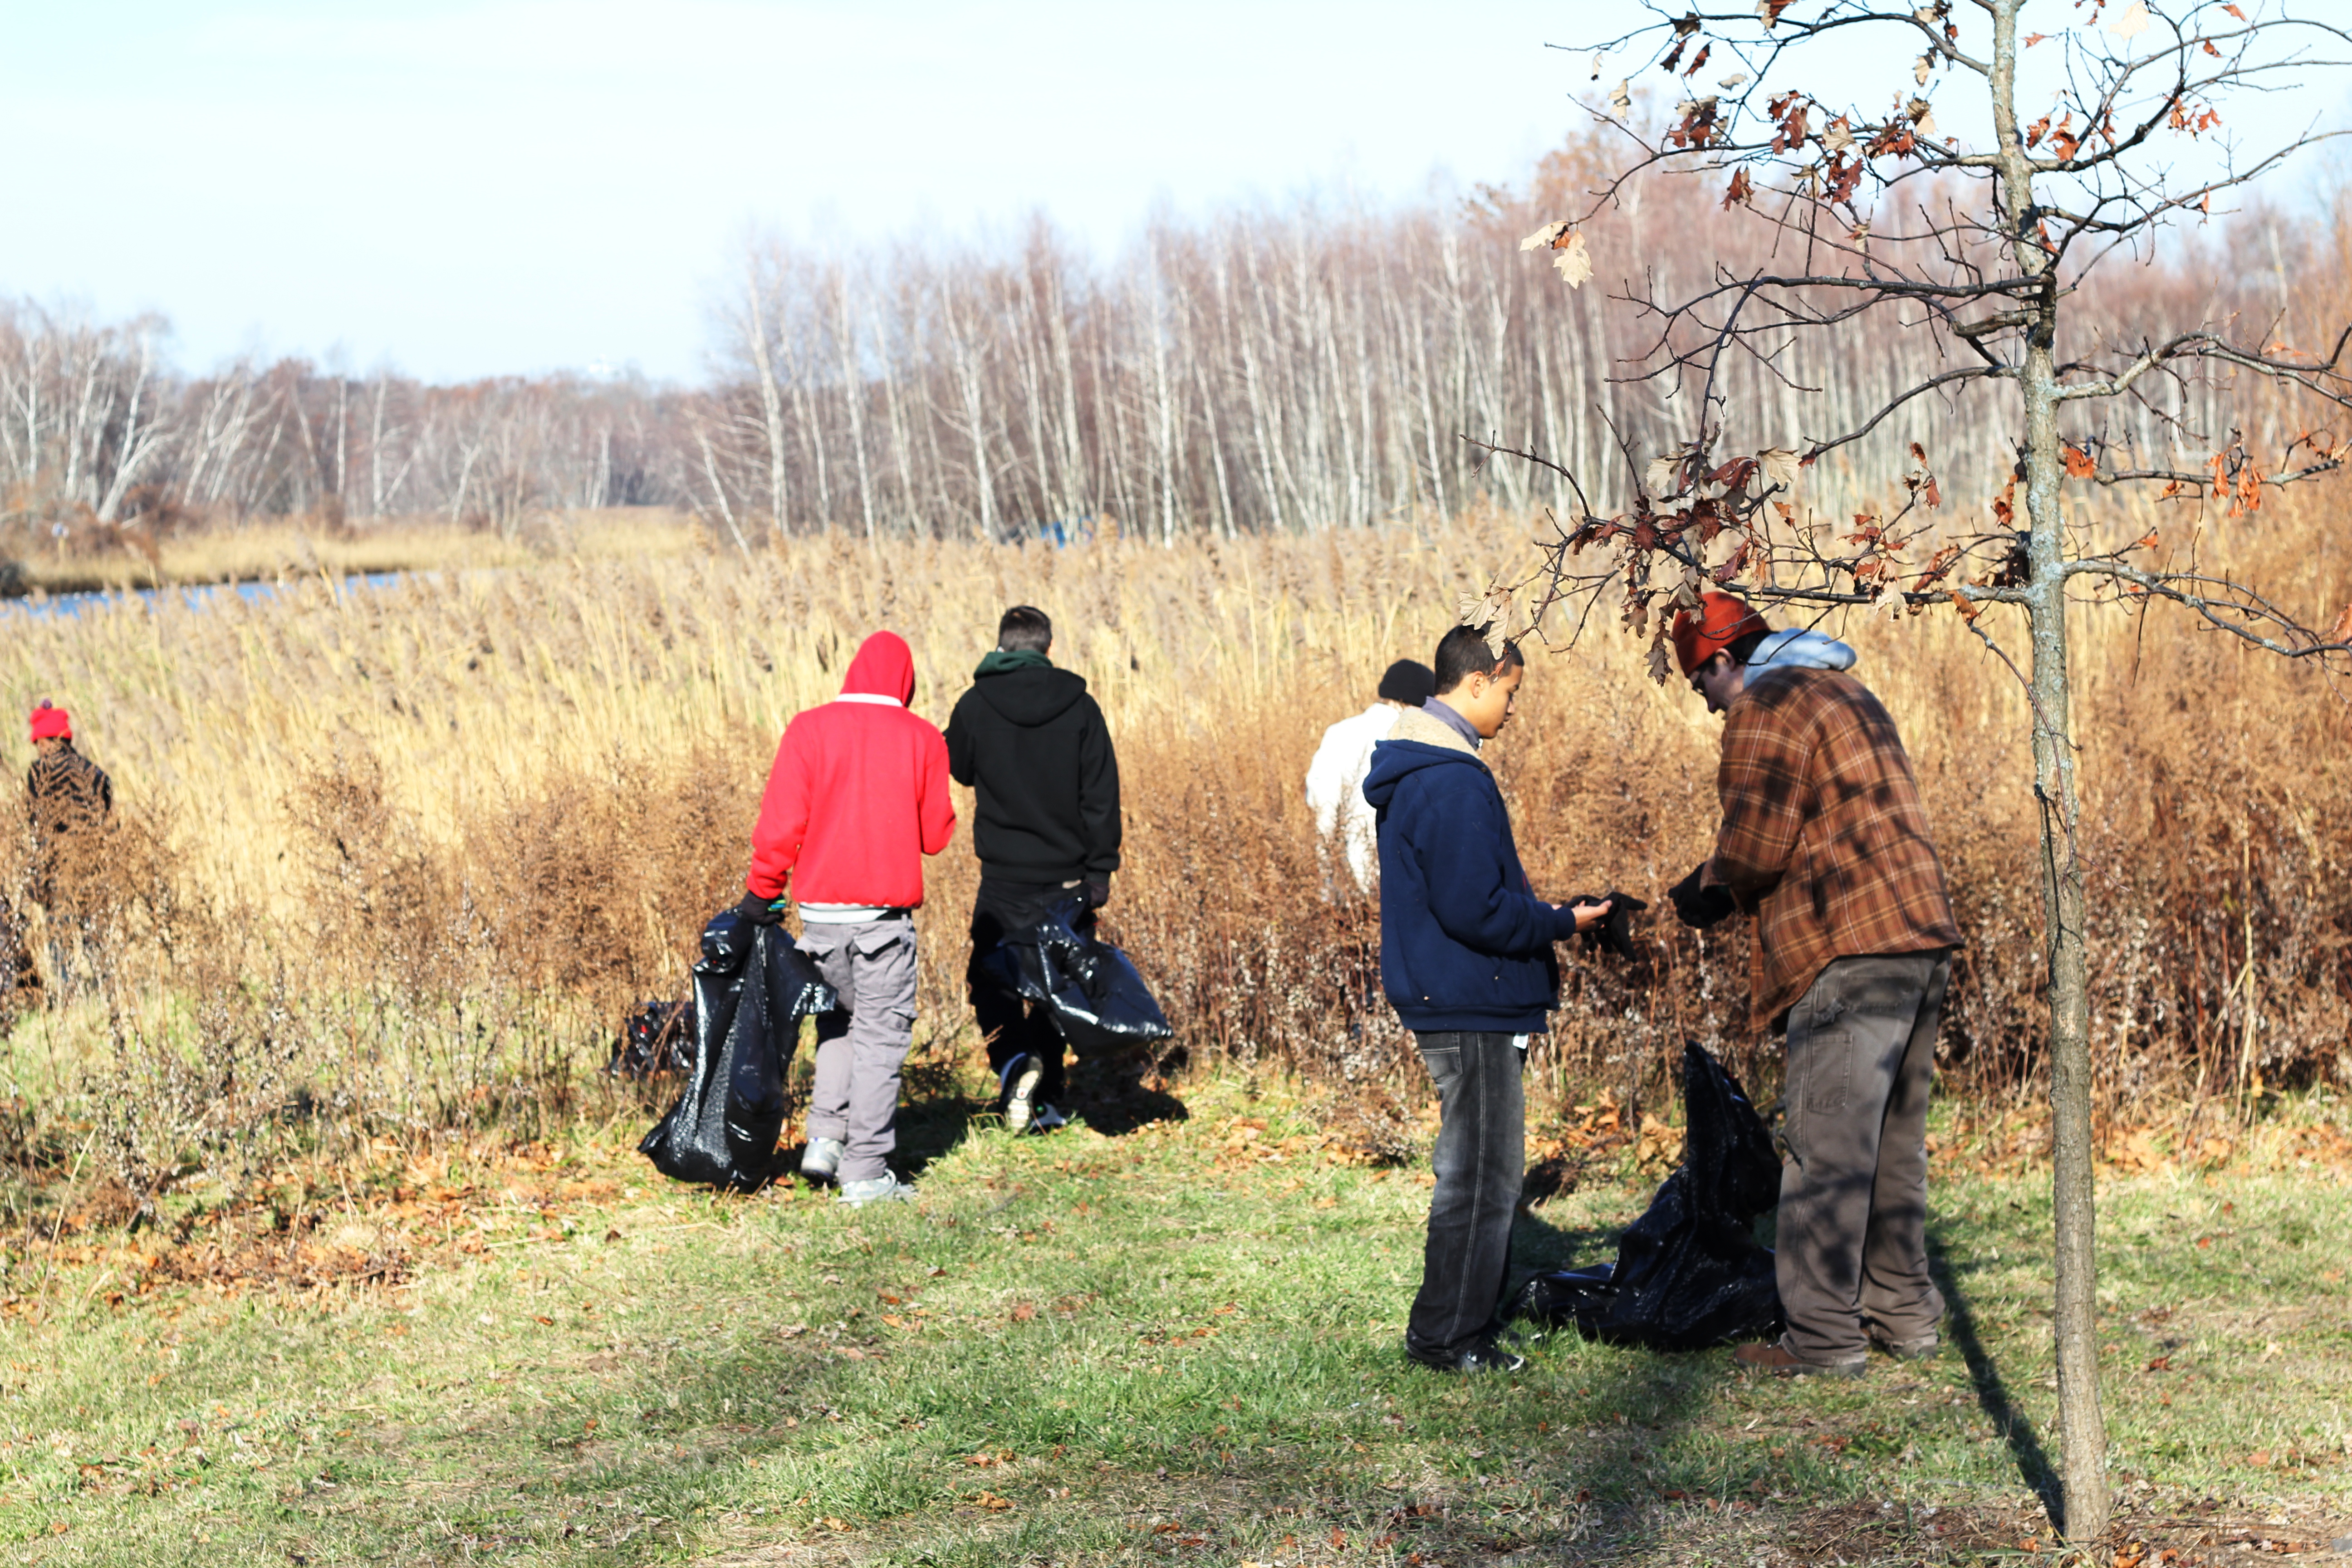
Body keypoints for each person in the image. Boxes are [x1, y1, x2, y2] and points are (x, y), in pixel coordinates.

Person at [1667, 591, 1964, 1378]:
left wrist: (1702, 889)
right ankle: (1901, 1314)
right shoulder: (1844, 691)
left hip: (1848, 949)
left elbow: (1755, 847)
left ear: (1723, 660)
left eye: (1698, 682)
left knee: (1824, 1147)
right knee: (1890, 1147)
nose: (1703, 703)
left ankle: (1821, 1340)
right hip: (1918, 938)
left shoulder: (1764, 705)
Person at [1362, 625, 1612, 1375]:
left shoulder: (1419, 769)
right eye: (1509, 692)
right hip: (1470, 999)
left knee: (1474, 1172)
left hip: (1455, 994)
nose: (1510, 709)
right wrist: (1562, 921)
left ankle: (1449, 1329)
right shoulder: (1450, 777)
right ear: (1478, 680)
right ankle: (1448, 1338)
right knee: (1482, 1177)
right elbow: (1476, 909)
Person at [737, 631, 956, 1206]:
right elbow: (936, 837)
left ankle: (825, 1142)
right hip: (882, 922)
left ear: (853, 672)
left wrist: (761, 894)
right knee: (881, 1042)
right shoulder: (923, 737)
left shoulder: (808, 729)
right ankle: (865, 1172)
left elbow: (781, 826)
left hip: (820, 918)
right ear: (906, 683)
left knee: (837, 1026)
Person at [944, 605, 1120, 1135]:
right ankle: (1046, 1101)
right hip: (1069, 878)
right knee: (1056, 985)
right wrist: (1101, 871)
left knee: (990, 979)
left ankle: (1016, 1063)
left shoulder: (975, 704)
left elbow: (959, 769)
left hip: (1003, 875)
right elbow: (1101, 795)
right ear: (1047, 647)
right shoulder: (1081, 707)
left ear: (1001, 647)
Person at [1304, 659, 1436, 892]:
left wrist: (1328, 875)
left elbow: (1319, 801)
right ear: (1410, 702)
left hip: (1340, 877)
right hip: (1396, 876)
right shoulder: (1412, 738)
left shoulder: (1338, 732)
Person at [25, 701, 112, 998]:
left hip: (58, 869)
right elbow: (106, 823)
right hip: (92, 866)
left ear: (50, 740)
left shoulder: (38, 774)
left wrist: (35, 874)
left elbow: (35, 826)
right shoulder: (96, 773)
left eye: (39, 742)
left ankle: (68, 1000)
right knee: (94, 934)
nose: (38, 749)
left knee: (60, 937)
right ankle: (106, 992)